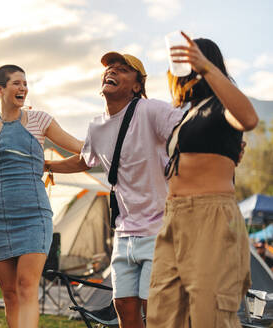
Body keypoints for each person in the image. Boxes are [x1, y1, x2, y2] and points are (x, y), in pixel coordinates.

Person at [44, 53, 184, 327]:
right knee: (123, 305)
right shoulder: (97, 125)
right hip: (124, 232)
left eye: (122, 70)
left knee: (153, 305)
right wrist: (48, 165)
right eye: (109, 69)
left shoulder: (151, 110)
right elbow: (85, 159)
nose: (112, 72)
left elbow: (186, 131)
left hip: (161, 228)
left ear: (136, 85)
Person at [0, 64, 83, 328]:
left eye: (24, 83)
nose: (23, 88)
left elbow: (80, 148)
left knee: (26, 287)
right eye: (16, 83)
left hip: (34, 215)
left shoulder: (40, 120)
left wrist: (53, 166)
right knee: (9, 294)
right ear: (0, 89)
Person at [146, 32, 258, 327]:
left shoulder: (222, 105)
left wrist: (207, 67)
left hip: (211, 215)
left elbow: (248, 119)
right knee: (163, 313)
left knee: (210, 314)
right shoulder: (187, 113)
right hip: (174, 217)